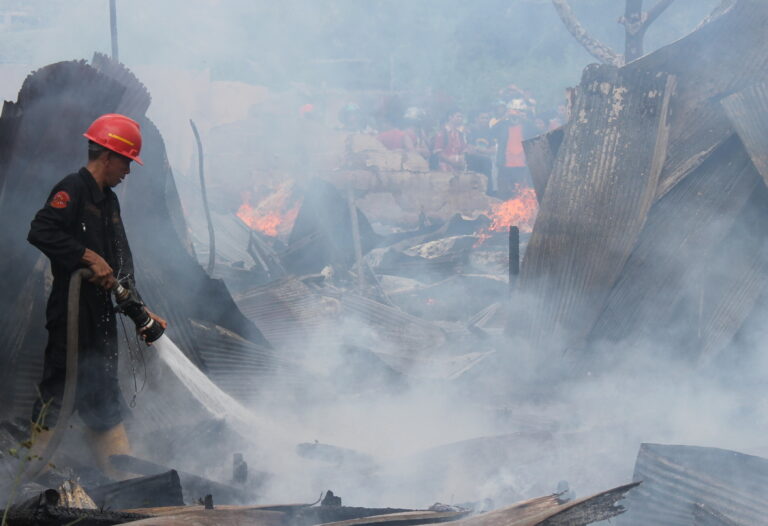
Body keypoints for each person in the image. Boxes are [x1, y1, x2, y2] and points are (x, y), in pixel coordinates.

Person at [27, 113, 167, 480]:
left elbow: (120, 265)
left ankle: (122, 482)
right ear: (107, 156)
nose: (129, 171)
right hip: (70, 314)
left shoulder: (110, 202)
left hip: (101, 313)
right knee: (58, 393)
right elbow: (40, 231)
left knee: (104, 392)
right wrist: (86, 256)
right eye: (126, 161)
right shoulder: (71, 189)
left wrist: (141, 311)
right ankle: (33, 479)